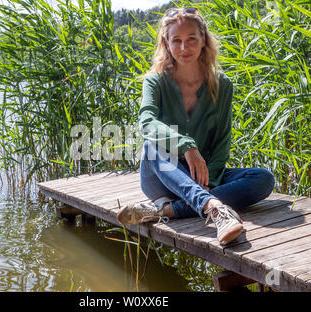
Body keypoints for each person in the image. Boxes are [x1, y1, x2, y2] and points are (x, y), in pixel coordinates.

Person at [116, 7, 275, 245]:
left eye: (191, 39)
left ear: (204, 41)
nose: (183, 47)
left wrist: (209, 180)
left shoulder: (222, 85)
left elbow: (222, 140)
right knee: (152, 145)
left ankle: (164, 211)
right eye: (176, 40)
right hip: (162, 175)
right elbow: (147, 123)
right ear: (166, 44)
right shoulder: (155, 81)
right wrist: (186, 146)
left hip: (203, 176)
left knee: (263, 179)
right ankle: (214, 208)